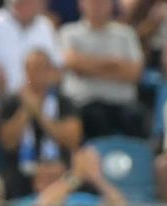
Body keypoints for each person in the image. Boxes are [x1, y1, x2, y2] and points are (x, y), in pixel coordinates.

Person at [0, 47, 82, 199]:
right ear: (25, 72)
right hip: (22, 171)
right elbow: (8, 142)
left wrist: (39, 114)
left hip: (58, 170)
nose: (37, 74)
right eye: (32, 69)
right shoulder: (12, 102)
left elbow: (72, 140)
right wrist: (25, 111)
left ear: (50, 71)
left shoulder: (64, 102)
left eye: (42, 68)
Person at [58, 0, 146, 139]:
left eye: (102, 2)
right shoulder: (68, 32)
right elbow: (72, 62)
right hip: (84, 102)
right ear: (81, 5)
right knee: (95, 117)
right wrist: (114, 65)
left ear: (111, 5)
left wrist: (88, 68)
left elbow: (135, 73)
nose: (97, 6)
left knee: (136, 116)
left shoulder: (126, 34)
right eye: (93, 3)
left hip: (121, 102)